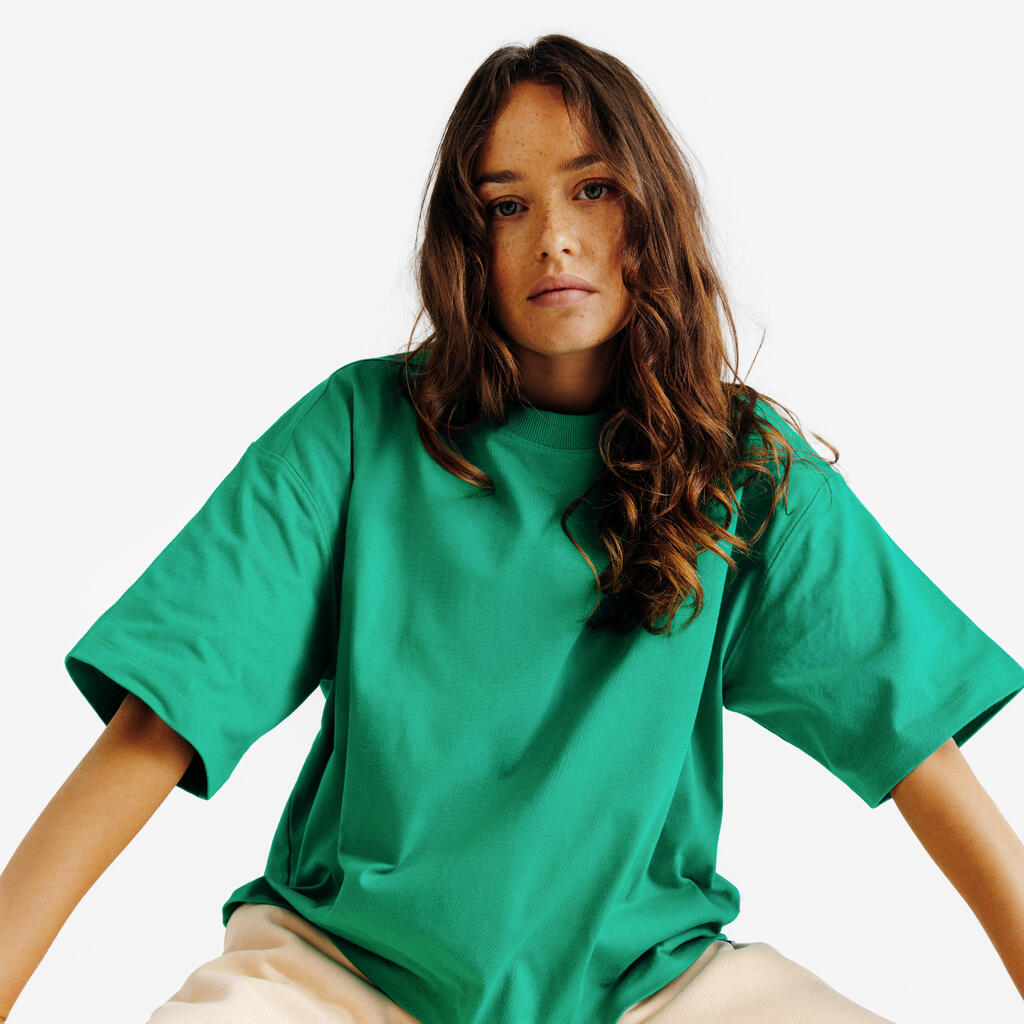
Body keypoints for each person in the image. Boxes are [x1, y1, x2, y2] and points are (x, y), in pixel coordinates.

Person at [1, 33, 1023, 1024]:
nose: (554, 238)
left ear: (652, 210)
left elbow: (921, 755)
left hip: (649, 983)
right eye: (505, 205)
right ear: (466, 243)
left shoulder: (741, 465)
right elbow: (159, 724)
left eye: (594, 189)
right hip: (336, 970)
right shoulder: (356, 433)